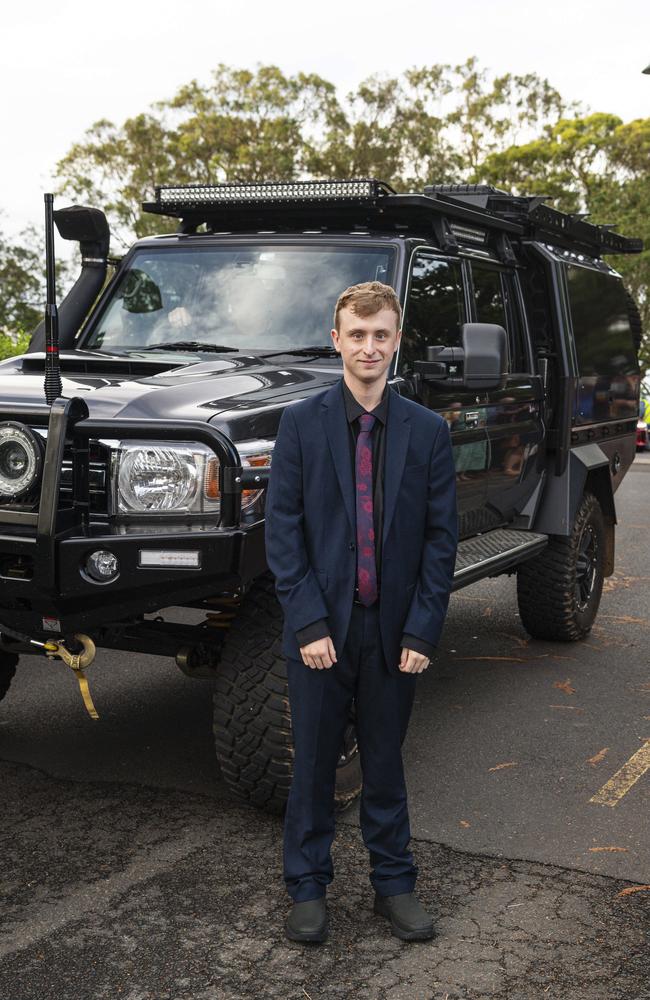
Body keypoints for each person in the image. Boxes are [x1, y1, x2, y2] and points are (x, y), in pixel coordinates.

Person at [264, 281, 458, 943]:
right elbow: (283, 531)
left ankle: (394, 884)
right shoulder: (300, 424)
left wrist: (423, 627)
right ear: (337, 339)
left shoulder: (428, 433)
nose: (369, 346)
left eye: (381, 335)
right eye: (357, 334)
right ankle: (308, 886)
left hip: (393, 633)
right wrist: (309, 623)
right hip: (322, 631)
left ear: (395, 340)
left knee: (384, 761)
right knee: (314, 765)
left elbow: (440, 538)